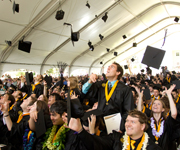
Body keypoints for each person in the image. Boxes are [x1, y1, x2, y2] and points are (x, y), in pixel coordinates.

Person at [64, 109, 162, 150]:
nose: (127, 124)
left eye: (132, 122)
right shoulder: (116, 138)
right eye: (127, 121)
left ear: (142, 126)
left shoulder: (152, 147)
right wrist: (80, 131)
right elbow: (96, 144)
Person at [82, 62, 134, 131]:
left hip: (116, 126)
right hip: (100, 124)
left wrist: (121, 127)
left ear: (118, 72)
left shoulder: (125, 89)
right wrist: (90, 81)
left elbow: (128, 110)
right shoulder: (101, 85)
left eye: (112, 67)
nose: (108, 68)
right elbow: (85, 92)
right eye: (108, 66)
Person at [137, 84, 178, 150]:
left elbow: (174, 114)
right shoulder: (148, 121)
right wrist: (140, 97)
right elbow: (138, 115)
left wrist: (169, 94)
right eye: (154, 103)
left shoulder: (166, 123)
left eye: (158, 104)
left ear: (163, 109)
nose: (155, 105)